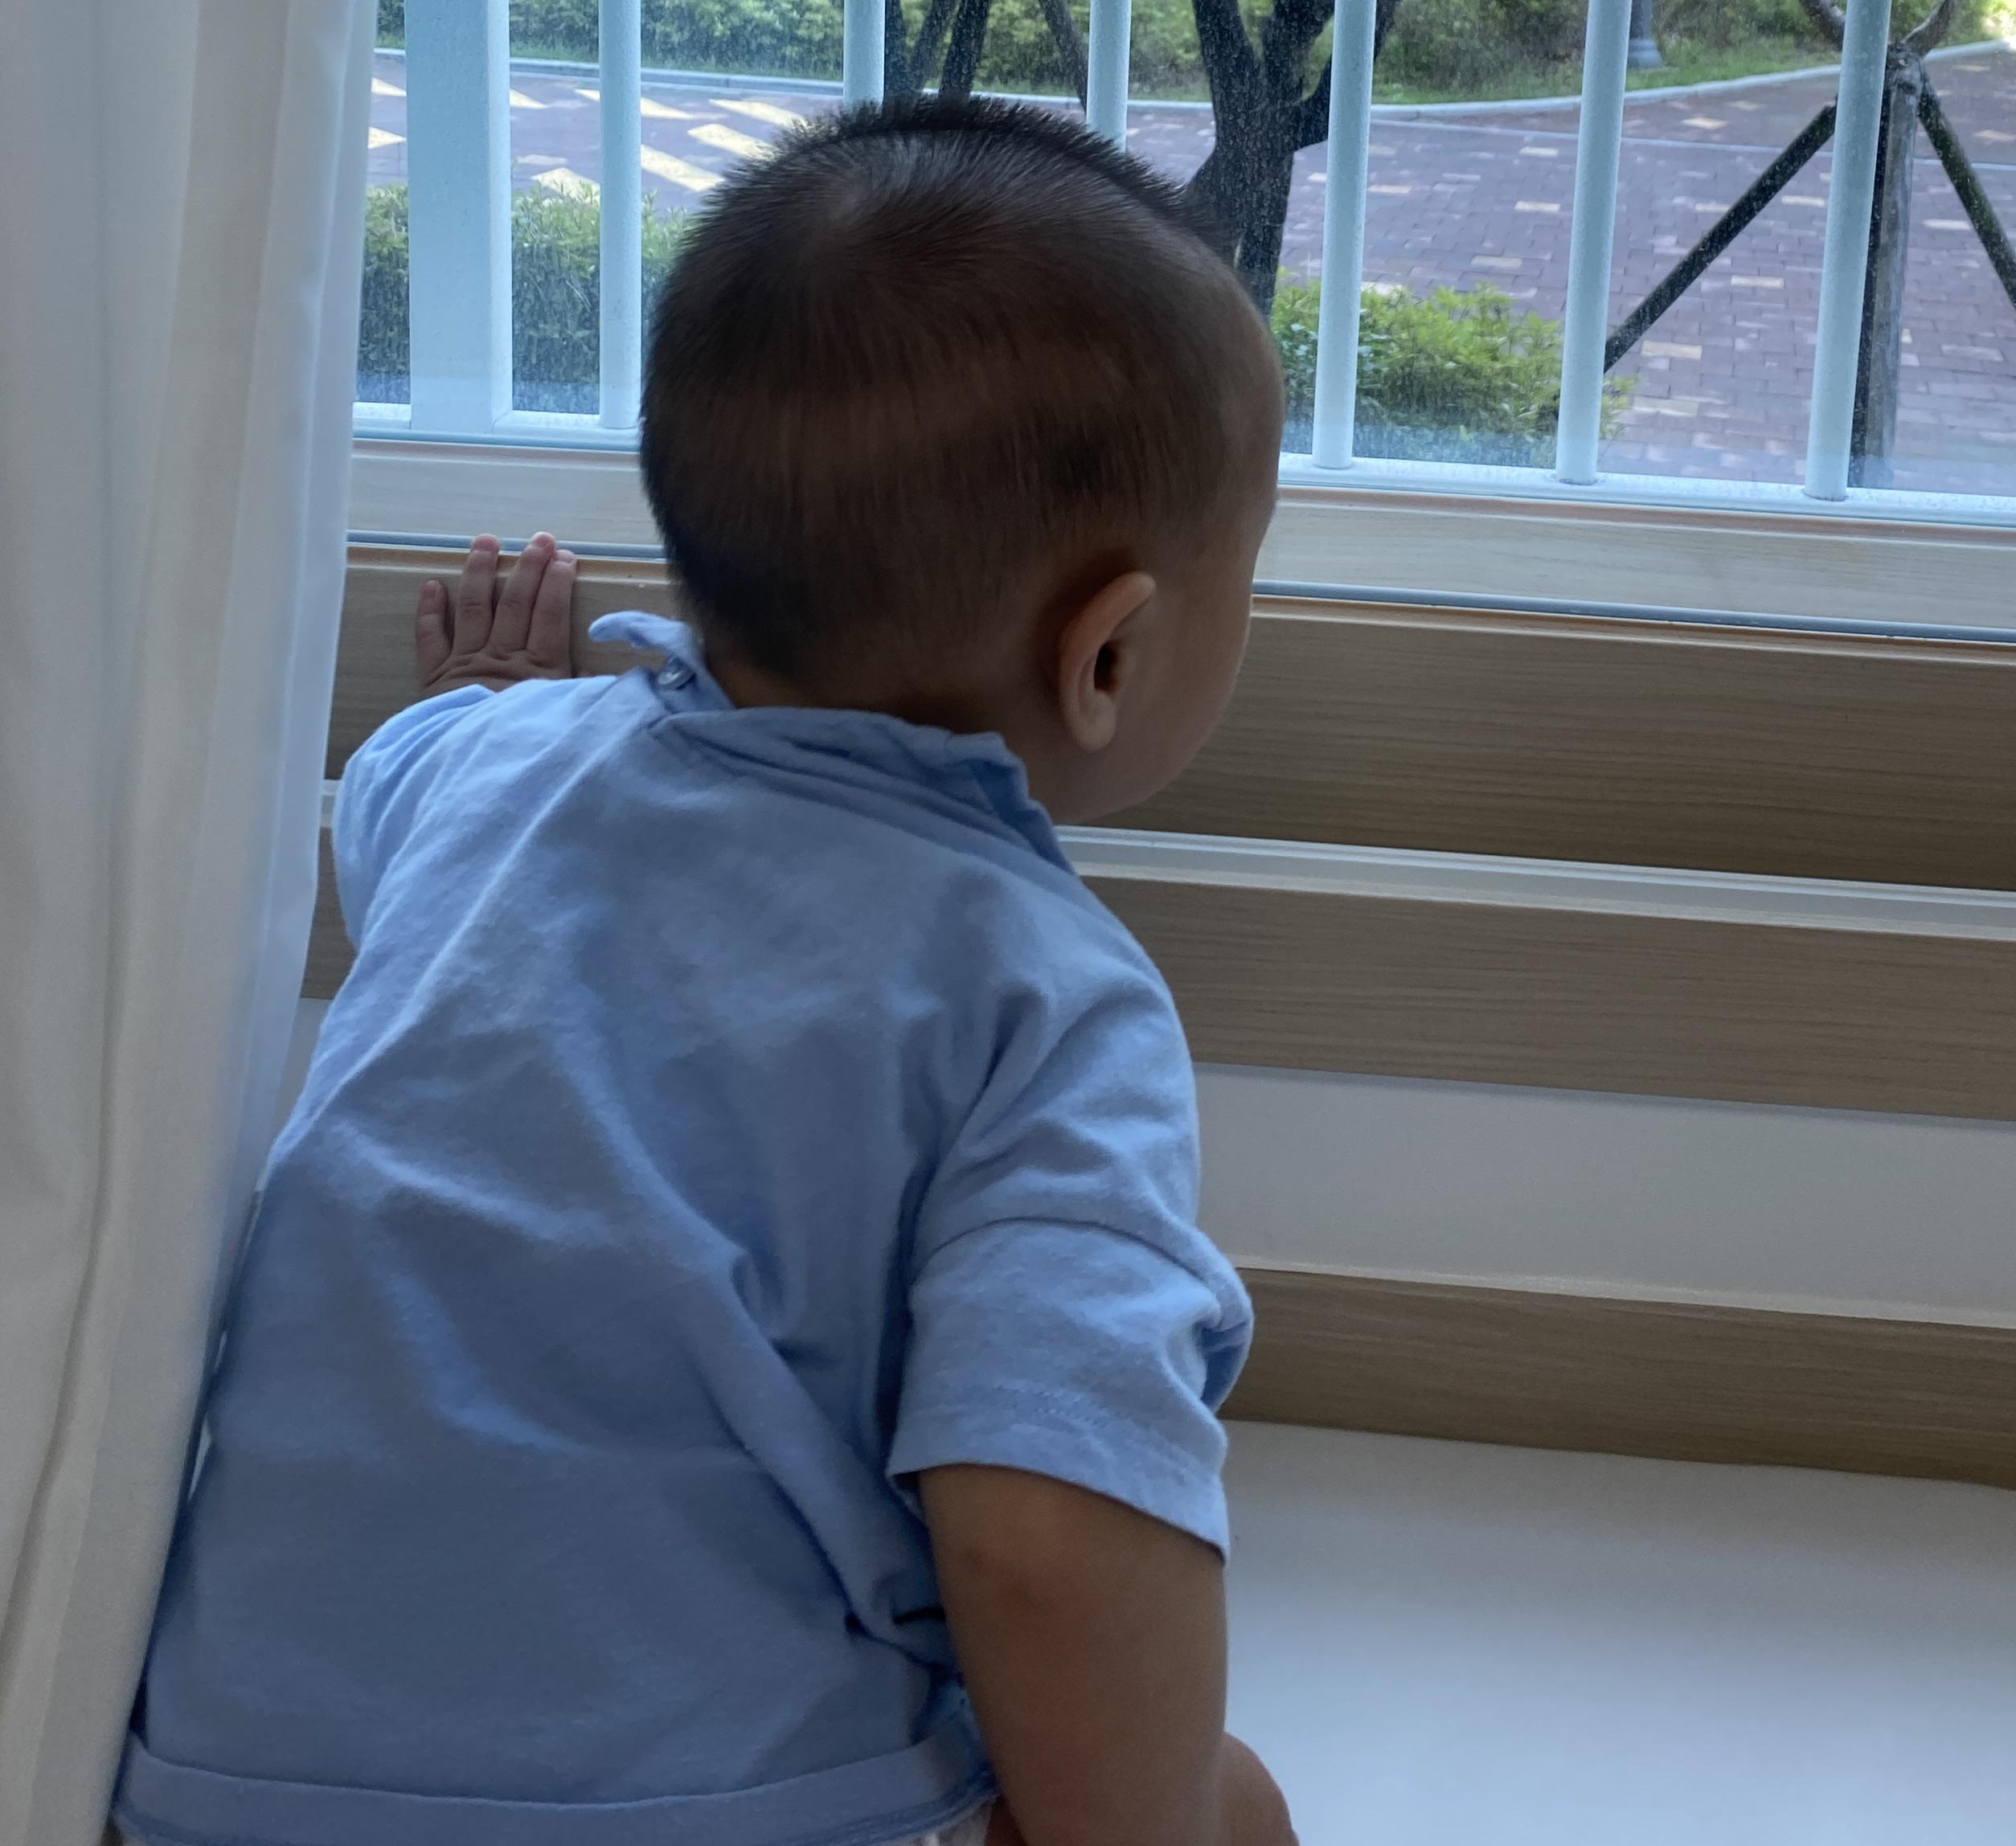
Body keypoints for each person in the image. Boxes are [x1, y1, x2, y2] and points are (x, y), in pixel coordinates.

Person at [114, 101, 1297, 1846]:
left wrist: (482, 705)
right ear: (1106, 656)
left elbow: (388, 806)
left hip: (224, 1790)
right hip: (735, 1806)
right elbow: (1045, 1533)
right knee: (1231, 1805)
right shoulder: (1050, 999)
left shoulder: (489, 778)